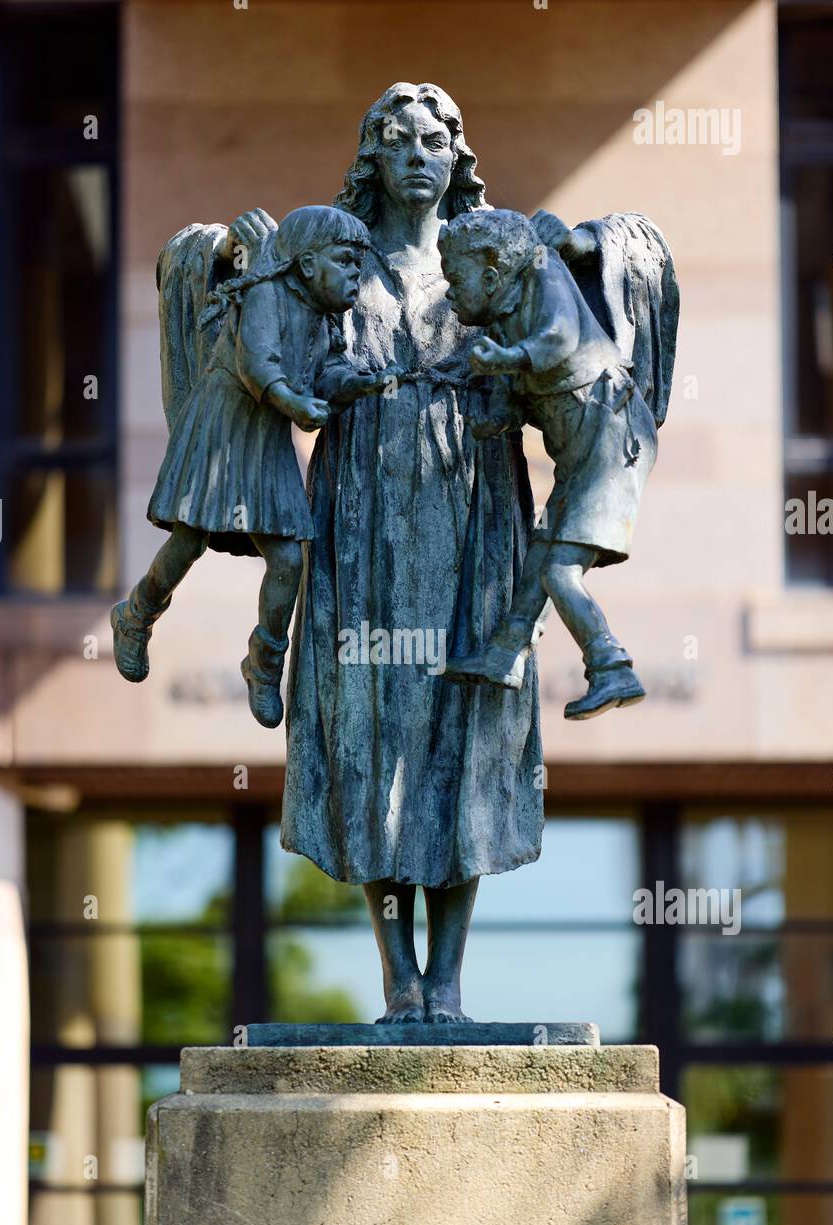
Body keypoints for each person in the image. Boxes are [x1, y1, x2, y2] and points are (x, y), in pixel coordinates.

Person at [232, 85, 544, 1024]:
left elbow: (553, 359)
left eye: (435, 138)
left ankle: (446, 980)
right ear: (373, 154)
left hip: (474, 501)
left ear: (457, 153)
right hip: (362, 508)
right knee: (372, 730)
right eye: (399, 139)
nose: (418, 154)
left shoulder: (493, 256)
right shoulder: (336, 254)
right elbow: (275, 353)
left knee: (468, 734)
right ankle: (396, 975)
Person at [111, 206, 391, 728]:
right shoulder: (267, 294)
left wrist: (357, 383)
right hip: (222, 428)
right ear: (307, 265)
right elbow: (256, 363)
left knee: (288, 559)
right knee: (188, 539)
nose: (356, 273)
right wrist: (294, 402)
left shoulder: (324, 319)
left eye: (359, 264)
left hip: (265, 439)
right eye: (346, 261)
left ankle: (264, 661)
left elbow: (325, 375)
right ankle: (136, 614)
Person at [439, 206, 675, 719]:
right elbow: (510, 402)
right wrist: (488, 418)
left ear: (494, 272)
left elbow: (560, 338)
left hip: (613, 439)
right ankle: (506, 653)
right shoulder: (501, 325)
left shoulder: (542, 274)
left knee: (561, 572)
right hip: (581, 451)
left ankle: (611, 666)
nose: (451, 295)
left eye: (457, 280)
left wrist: (510, 360)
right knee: (542, 555)